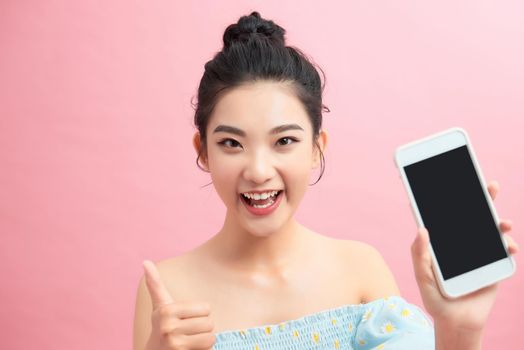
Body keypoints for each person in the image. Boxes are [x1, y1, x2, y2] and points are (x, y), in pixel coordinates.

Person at [132, 11, 518, 350]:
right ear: (203, 150)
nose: (259, 170)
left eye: (284, 141)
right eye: (231, 143)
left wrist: (462, 330)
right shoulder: (166, 292)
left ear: (317, 148)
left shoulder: (360, 270)